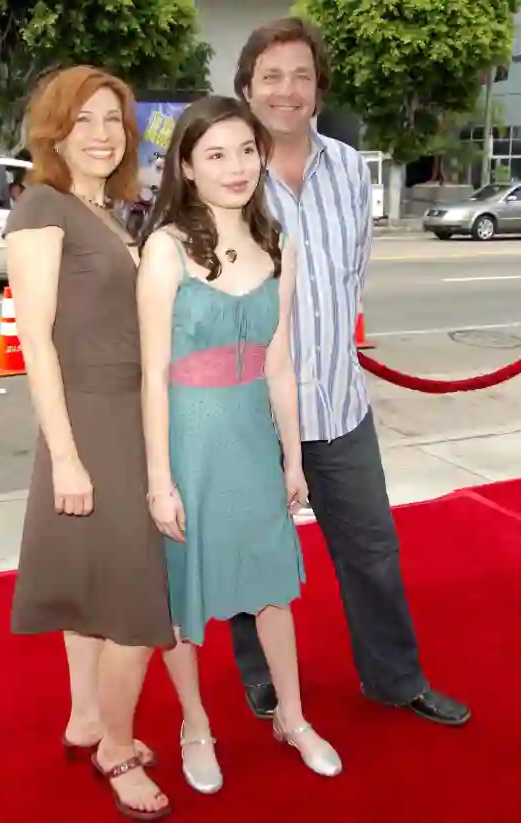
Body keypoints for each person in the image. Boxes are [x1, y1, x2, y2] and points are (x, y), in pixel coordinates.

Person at [228, 17, 471, 727]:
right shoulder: (226, 173)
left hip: (339, 406)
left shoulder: (349, 167)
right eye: (271, 75)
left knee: (373, 552)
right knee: (254, 560)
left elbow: (352, 274)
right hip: (249, 412)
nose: (287, 89)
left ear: (318, 88)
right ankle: (263, 679)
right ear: (246, 88)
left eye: (301, 75)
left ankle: (395, 678)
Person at [137, 95, 343, 793]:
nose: (236, 166)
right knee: (182, 594)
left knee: (273, 587)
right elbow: (152, 376)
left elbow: (280, 362)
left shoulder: (277, 242)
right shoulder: (164, 249)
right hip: (189, 438)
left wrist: (293, 457)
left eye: (246, 150)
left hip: (252, 434)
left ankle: (292, 715)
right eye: (216, 154)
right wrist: (159, 479)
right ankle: (195, 721)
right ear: (187, 168)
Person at [4, 65, 174, 821]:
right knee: (138, 607)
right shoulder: (43, 205)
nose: (103, 134)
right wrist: (67, 455)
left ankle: (84, 717)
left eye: (115, 119)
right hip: (92, 421)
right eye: (85, 121)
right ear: (54, 130)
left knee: (92, 589)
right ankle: (115, 745)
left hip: (127, 415)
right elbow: (36, 340)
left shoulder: (106, 209)